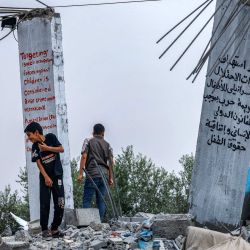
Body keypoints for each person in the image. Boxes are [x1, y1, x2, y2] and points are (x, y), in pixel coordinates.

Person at [24, 122, 65, 239]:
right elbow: (38, 163)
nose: (29, 138)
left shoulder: (51, 137)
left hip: (57, 176)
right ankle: (44, 230)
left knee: (60, 202)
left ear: (36, 132)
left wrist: (47, 148)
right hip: (45, 178)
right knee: (44, 203)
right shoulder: (35, 147)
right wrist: (46, 177)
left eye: (29, 135)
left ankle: (55, 228)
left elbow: (61, 149)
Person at [77, 123, 114, 221]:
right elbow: (111, 162)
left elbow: (84, 156)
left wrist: (80, 174)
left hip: (92, 174)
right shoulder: (108, 145)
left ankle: (86, 223)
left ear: (93, 132)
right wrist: (110, 178)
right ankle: (99, 223)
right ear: (103, 133)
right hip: (104, 175)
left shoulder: (88, 141)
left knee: (87, 199)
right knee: (101, 201)